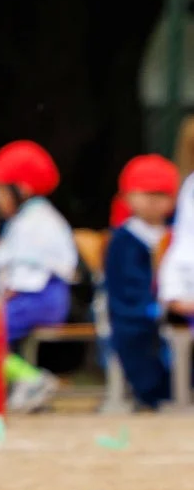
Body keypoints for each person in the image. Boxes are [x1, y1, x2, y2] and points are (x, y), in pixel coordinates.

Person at [0, 140, 76, 413]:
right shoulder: (27, 219)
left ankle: (31, 379)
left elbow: (25, 274)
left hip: (38, 297)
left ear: (21, 189)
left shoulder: (37, 222)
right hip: (33, 295)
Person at [107, 154, 177, 411]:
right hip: (134, 315)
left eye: (160, 194)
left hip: (175, 309)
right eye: (144, 193)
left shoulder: (177, 235)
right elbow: (123, 287)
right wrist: (149, 307)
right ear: (127, 196)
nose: (151, 201)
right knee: (138, 346)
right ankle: (154, 393)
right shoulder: (124, 239)